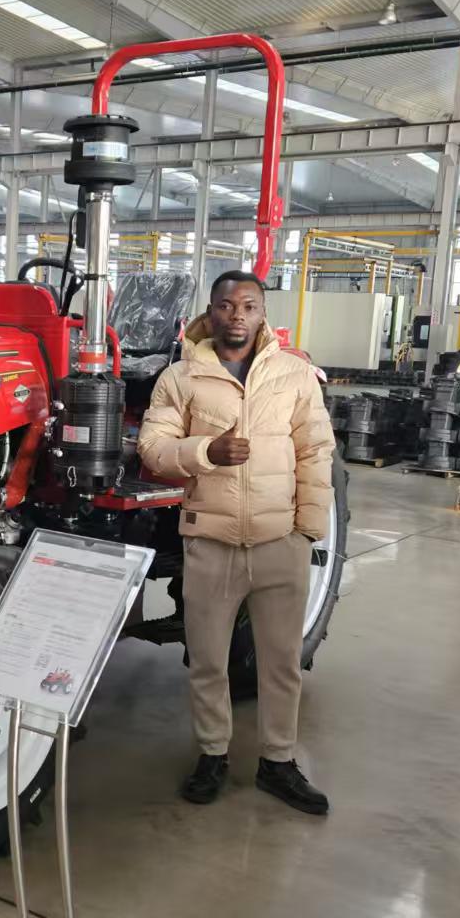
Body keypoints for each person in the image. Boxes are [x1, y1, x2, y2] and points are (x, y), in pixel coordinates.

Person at [137, 269, 336, 814]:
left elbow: (316, 452)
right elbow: (153, 446)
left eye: (248, 305)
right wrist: (205, 452)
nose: (238, 315)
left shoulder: (294, 375)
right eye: (227, 305)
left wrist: (308, 531)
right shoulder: (181, 378)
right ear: (212, 310)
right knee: (206, 661)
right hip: (212, 543)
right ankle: (212, 755)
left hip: (280, 543)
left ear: (262, 312)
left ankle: (278, 761)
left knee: (281, 663)